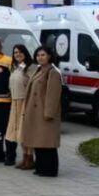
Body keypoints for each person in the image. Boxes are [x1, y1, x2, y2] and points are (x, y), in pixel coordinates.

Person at [22, 47, 63, 177]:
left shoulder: (53, 72)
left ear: (49, 56)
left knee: (47, 143)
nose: (40, 57)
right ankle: (40, 167)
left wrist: (49, 113)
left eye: (43, 55)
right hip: (35, 113)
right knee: (38, 141)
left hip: (45, 113)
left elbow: (53, 95)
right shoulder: (38, 70)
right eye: (38, 55)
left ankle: (50, 170)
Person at [5, 45, 34, 168]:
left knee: (25, 132)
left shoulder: (30, 67)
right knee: (17, 132)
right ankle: (24, 157)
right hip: (15, 102)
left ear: (25, 53)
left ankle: (30, 158)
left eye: (20, 52)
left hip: (25, 102)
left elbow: (34, 85)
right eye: (15, 52)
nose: (18, 54)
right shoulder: (14, 67)